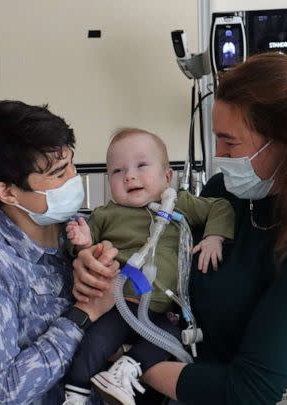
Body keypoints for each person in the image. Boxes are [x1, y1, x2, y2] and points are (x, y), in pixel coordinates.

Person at [72, 52, 287, 404]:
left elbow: (249, 392)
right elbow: (162, 264)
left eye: (230, 142)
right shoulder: (223, 193)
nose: (220, 156)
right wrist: (93, 264)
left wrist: (124, 358)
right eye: (217, 140)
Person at [0, 100, 119, 405]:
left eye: (71, 163)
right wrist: (83, 315)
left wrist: (108, 266)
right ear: (7, 192)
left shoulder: (79, 229)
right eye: (59, 173)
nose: (74, 179)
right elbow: (2, 394)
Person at [63, 129, 235, 405]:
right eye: (118, 171)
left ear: (168, 177)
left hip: (167, 312)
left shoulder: (179, 203)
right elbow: (83, 250)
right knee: (94, 345)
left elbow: (221, 208)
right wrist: (81, 242)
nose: (129, 175)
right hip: (121, 305)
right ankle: (75, 395)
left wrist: (215, 237)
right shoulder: (106, 214)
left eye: (141, 165)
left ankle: (127, 369)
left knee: (173, 340)